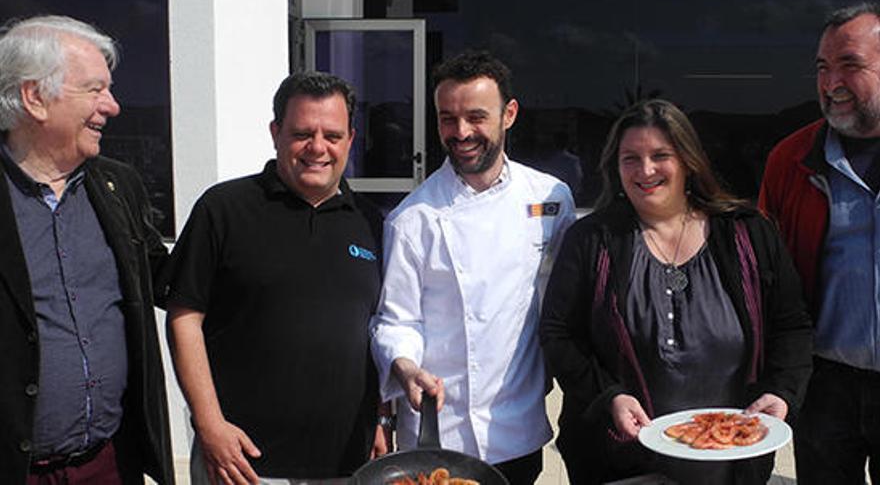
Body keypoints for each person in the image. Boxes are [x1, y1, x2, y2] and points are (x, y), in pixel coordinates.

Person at [541, 99, 812, 484]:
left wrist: (783, 390)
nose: (645, 170)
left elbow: (792, 326)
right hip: (619, 461)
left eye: (660, 155)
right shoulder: (591, 240)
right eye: (630, 158)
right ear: (615, 168)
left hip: (731, 459)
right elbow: (558, 335)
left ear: (688, 160)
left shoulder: (749, 233)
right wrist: (609, 396)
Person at [164, 70, 388, 484]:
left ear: (351, 140)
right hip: (241, 464)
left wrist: (375, 419)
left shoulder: (370, 223)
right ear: (275, 132)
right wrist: (209, 425)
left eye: (332, 136)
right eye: (302, 133)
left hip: (345, 464)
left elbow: (371, 332)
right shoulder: (224, 210)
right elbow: (184, 318)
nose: (317, 148)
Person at [369, 50, 576, 485]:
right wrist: (405, 367)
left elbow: (563, 302)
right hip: (439, 432)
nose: (461, 132)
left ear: (510, 114)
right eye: (448, 118)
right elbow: (397, 319)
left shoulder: (551, 198)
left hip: (518, 427)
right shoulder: (413, 218)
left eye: (476, 117)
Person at [0, 15, 174, 484]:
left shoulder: (118, 186)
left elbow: (168, 281)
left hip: (109, 464)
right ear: (35, 97)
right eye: (95, 90)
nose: (112, 107)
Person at [758, 2, 880, 484]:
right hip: (825, 386)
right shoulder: (790, 160)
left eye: (850, 64)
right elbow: (767, 279)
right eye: (823, 68)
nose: (832, 83)